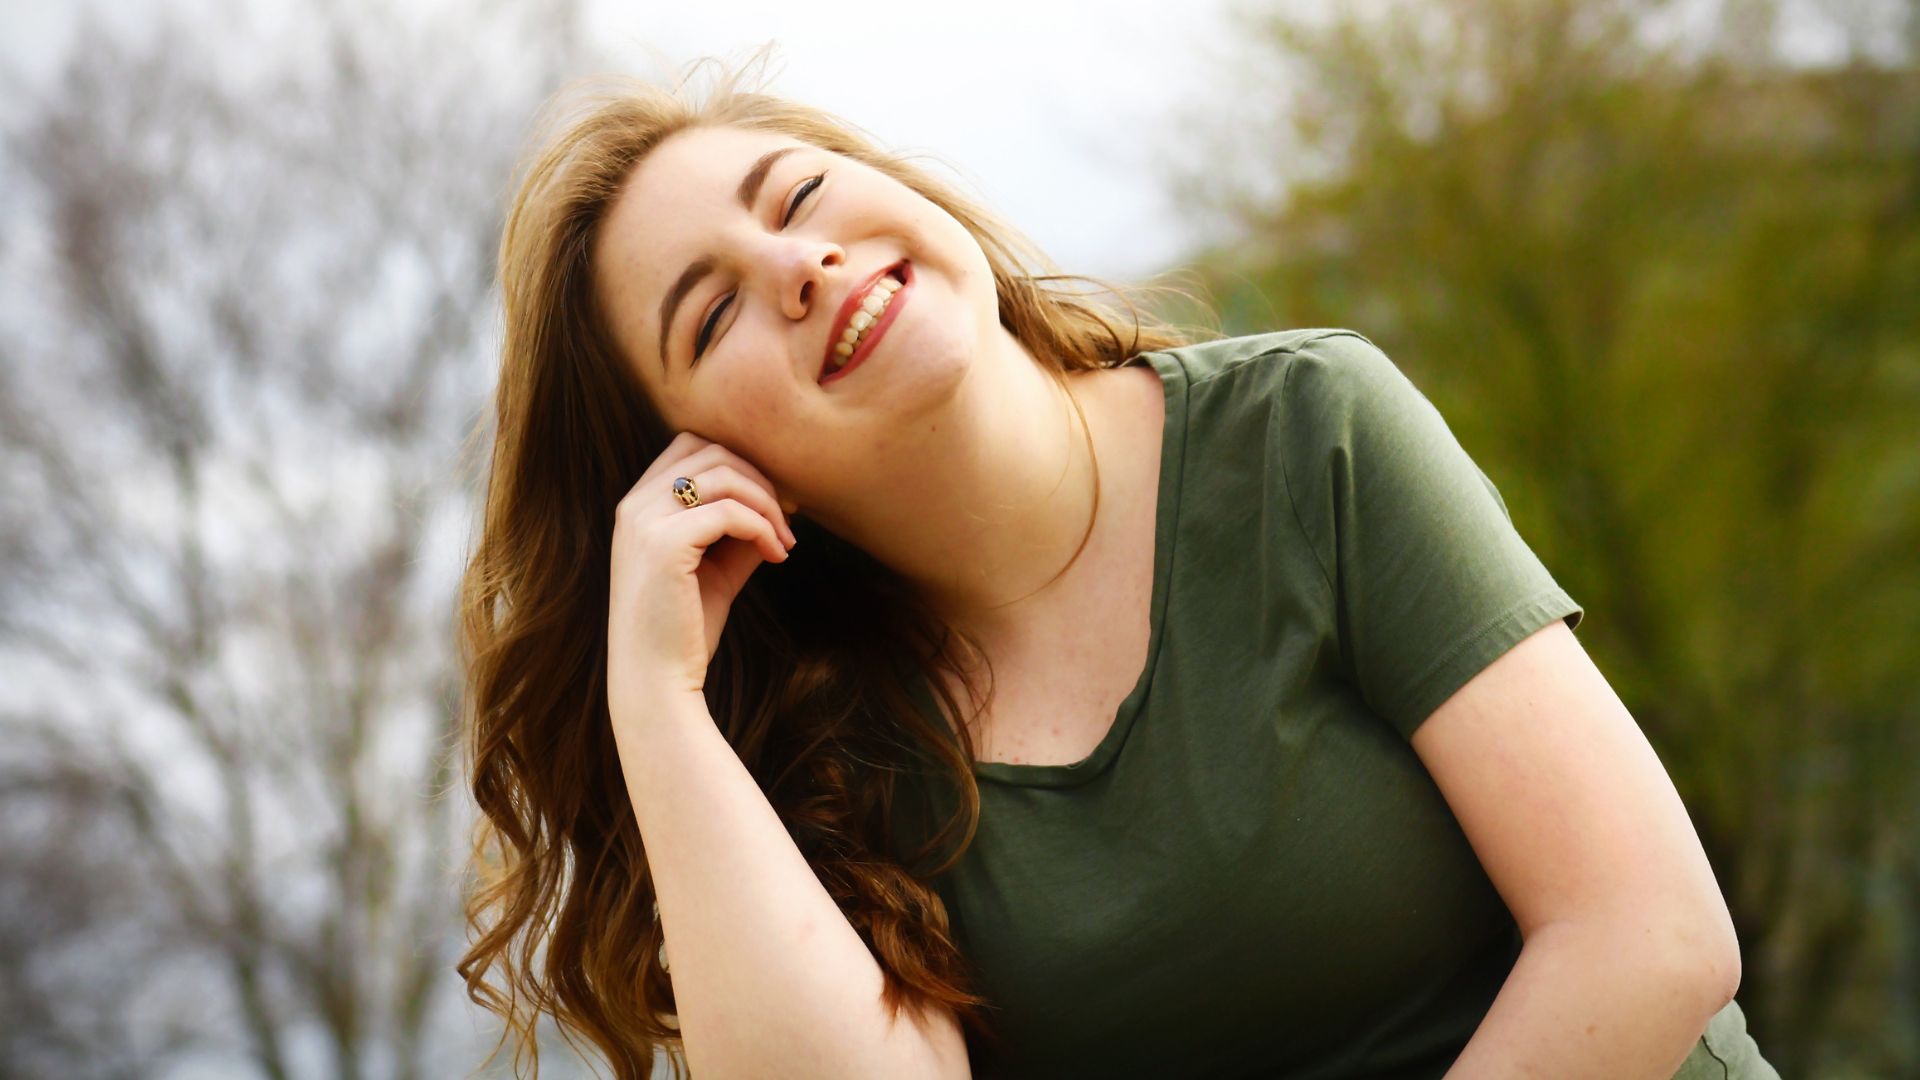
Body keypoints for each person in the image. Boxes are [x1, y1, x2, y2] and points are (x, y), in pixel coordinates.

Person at [455, 53, 1780, 1080]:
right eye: (716, 310)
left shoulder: (1306, 430)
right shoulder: (816, 757)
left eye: (797, 196)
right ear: (701, 462)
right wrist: (659, 705)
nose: (798, 265)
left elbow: (1648, 936)